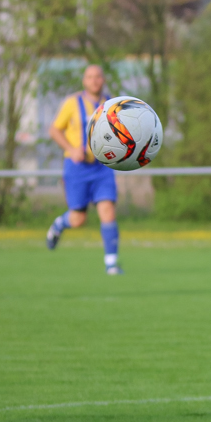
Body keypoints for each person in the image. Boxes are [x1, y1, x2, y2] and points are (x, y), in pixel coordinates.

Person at [45, 65, 122, 275]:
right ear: (84, 81)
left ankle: (112, 264)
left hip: (102, 167)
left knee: (108, 210)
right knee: (78, 219)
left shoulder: (111, 104)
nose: (95, 80)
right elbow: (54, 129)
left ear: (103, 79)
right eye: (90, 77)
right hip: (77, 166)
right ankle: (58, 225)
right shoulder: (72, 103)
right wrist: (71, 148)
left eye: (98, 76)